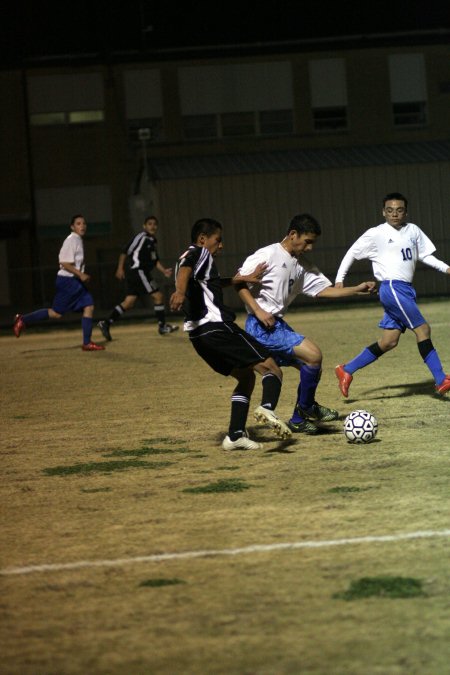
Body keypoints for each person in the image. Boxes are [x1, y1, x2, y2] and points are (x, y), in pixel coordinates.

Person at [236, 214, 376, 434]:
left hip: (276, 325)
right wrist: (258, 310)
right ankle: (307, 407)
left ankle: (299, 418)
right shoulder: (268, 254)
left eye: (313, 243)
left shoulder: (301, 264)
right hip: (260, 326)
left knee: (310, 367)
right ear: (293, 234)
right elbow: (239, 282)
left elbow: (324, 290)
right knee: (314, 355)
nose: (310, 247)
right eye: (307, 241)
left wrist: (356, 289)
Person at [169, 217, 292, 451]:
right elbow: (185, 270)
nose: (221, 245)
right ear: (203, 239)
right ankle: (267, 407)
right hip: (217, 328)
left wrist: (241, 279)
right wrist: (178, 291)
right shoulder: (198, 252)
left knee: (246, 377)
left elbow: (208, 282)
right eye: (219, 239)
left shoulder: (195, 261)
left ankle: (235, 435)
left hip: (199, 337)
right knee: (271, 367)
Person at [334, 192, 450, 397]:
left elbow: (425, 256)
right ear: (383, 212)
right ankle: (441, 379)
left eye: (399, 210)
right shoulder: (376, 233)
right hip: (392, 288)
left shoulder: (413, 230)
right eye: (390, 210)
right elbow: (352, 252)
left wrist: (446, 268)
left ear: (406, 212)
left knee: (389, 341)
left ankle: (346, 370)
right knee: (423, 330)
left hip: (405, 289)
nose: (394, 214)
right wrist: (339, 279)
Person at [13, 215, 105, 351]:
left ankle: (87, 343)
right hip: (68, 281)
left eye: (84, 223)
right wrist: (80, 274)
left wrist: (81, 275)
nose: (83, 226)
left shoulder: (77, 240)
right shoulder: (71, 240)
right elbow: (64, 262)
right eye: (78, 223)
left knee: (88, 306)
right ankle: (23, 319)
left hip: (74, 281)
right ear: (72, 227)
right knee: (57, 313)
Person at [98, 215, 178, 339]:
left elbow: (154, 260)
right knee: (158, 296)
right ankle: (162, 327)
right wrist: (119, 268)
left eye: (154, 224)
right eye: (149, 224)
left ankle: (106, 323)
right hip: (138, 271)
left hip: (138, 273)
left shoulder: (152, 241)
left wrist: (164, 271)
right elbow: (125, 251)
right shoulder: (141, 237)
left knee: (129, 303)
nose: (152, 226)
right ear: (144, 226)